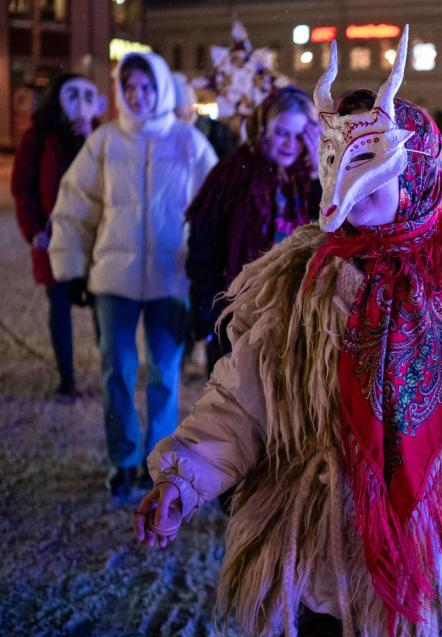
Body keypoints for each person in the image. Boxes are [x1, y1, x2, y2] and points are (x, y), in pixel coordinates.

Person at [134, 30, 442, 637]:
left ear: (412, 167)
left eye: (369, 167)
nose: (344, 186)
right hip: (305, 558)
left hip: (421, 571)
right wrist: (183, 479)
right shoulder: (300, 275)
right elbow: (244, 397)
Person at [49, 52, 217, 502]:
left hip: (170, 280)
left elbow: (213, 212)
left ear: (160, 87)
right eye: (129, 87)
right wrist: (70, 269)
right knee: (116, 372)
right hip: (113, 282)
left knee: (164, 373)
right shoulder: (104, 142)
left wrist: (205, 276)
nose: (137, 95)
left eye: (145, 86)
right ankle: (122, 462)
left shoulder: (188, 143)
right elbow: (74, 207)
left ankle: (158, 463)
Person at [186, 87, 321, 376]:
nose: (290, 144)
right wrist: (207, 308)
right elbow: (204, 242)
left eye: (300, 137)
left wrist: (320, 172)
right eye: (282, 132)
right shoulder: (233, 172)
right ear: (263, 128)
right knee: (233, 402)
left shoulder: (309, 181)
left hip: (292, 313)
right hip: (237, 310)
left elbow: (329, 229)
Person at [11, 74, 102, 402]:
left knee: (101, 307)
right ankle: (67, 378)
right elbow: (24, 188)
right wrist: (34, 230)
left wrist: (92, 138)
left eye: (87, 96)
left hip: (94, 240)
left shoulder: (101, 136)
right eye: (72, 95)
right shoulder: (38, 136)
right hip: (54, 239)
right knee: (59, 307)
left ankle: (109, 373)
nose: (80, 104)